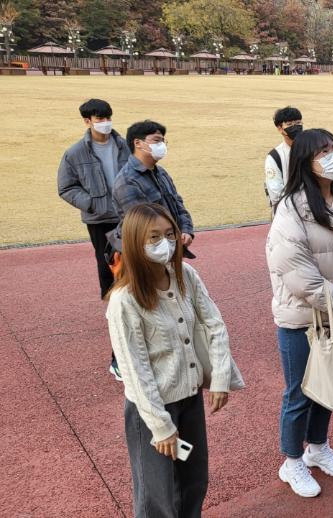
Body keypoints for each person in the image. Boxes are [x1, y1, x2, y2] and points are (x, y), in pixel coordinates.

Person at [106, 202, 244, 518]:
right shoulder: (124, 301)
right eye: (153, 238)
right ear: (133, 243)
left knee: (193, 481)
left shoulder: (185, 274)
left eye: (169, 234)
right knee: (158, 496)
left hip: (189, 400)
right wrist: (160, 426)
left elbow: (214, 323)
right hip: (153, 408)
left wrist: (221, 377)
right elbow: (134, 369)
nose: (164, 244)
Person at [267, 128, 333, 498]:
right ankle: (291, 460)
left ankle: (317, 447)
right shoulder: (290, 208)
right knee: (300, 391)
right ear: (305, 162)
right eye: (324, 152)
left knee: (331, 383)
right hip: (301, 317)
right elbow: (294, 268)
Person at [57, 98, 131, 381]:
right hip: (101, 222)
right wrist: (92, 204)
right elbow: (65, 187)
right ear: (87, 121)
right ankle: (116, 341)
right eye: (98, 118)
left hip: (129, 217)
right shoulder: (75, 153)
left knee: (135, 273)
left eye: (107, 116)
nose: (104, 122)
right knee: (111, 276)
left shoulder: (125, 145)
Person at [111, 120, 195, 260]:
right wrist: (171, 239)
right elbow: (143, 224)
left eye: (163, 141)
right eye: (156, 140)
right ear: (137, 143)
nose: (161, 146)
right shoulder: (127, 181)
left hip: (170, 246)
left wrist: (186, 230)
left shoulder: (160, 172)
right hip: (147, 253)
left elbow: (177, 203)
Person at [265, 106, 303, 215]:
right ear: (280, 128)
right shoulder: (274, 157)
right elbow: (276, 193)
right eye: (289, 124)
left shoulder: (312, 150)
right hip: (286, 214)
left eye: (298, 122)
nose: (295, 127)